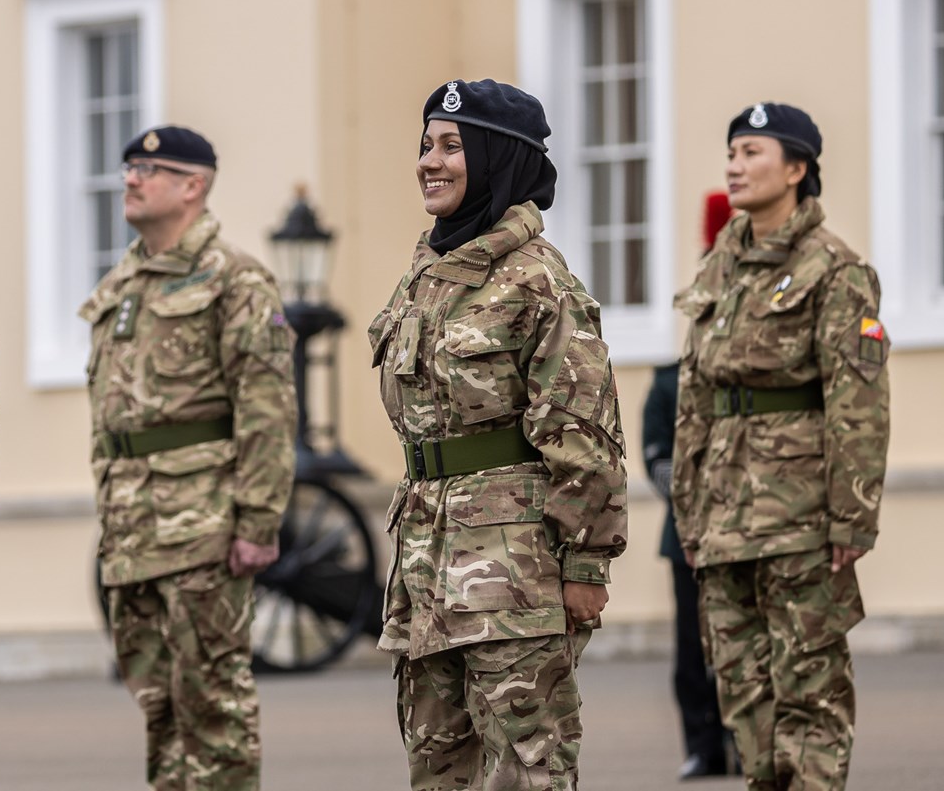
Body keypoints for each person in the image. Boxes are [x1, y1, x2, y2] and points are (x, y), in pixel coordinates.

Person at [368, 79, 627, 790]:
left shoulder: (537, 281)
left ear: (496, 158)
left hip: (513, 575)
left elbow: (584, 434)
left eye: (451, 145)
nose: (429, 160)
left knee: (525, 771)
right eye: (425, 144)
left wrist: (585, 565)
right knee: (437, 771)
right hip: (424, 565)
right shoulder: (423, 278)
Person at [671, 103, 888, 791]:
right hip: (721, 513)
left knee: (809, 690)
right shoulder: (720, 267)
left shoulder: (835, 269)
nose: (734, 164)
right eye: (730, 151)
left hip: (798, 516)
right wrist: (686, 508)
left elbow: (857, 402)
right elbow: (694, 396)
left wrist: (850, 516)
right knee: (745, 696)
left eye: (752, 151)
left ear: (796, 169)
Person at [79, 125, 294, 791]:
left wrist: (257, 521)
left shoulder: (235, 278)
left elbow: (265, 406)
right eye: (129, 169)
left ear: (192, 186)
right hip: (131, 526)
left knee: (213, 708)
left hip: (202, 524)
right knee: (159, 708)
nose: (131, 180)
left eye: (149, 169)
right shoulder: (122, 284)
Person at [644, 191, 735, 781]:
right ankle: (703, 745)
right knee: (692, 650)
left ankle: (748, 739)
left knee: (746, 645)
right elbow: (657, 455)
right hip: (688, 531)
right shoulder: (670, 381)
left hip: (753, 523)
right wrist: (696, 500)